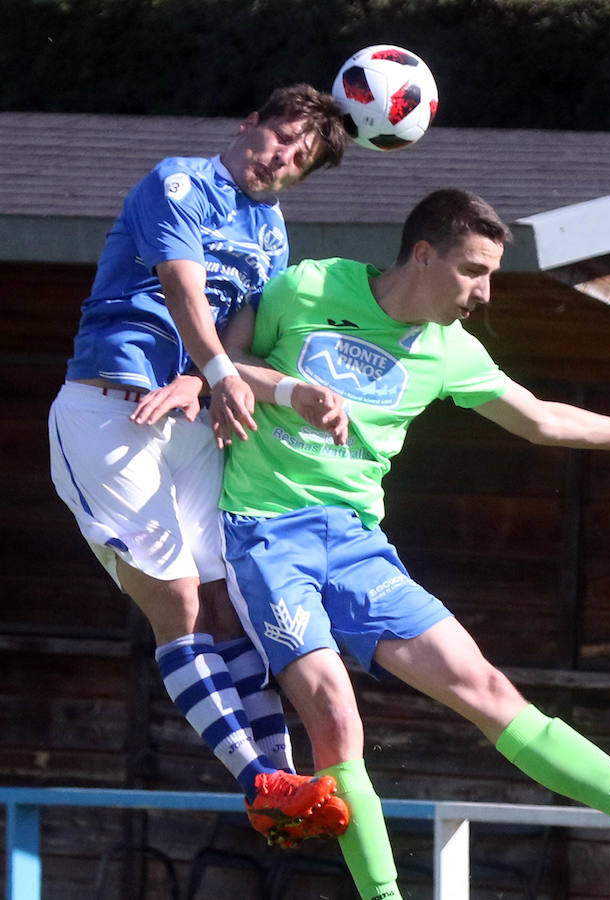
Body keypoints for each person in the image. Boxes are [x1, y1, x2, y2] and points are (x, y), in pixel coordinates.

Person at [217, 188, 610, 898]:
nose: (484, 292)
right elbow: (220, 364)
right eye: (474, 270)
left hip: (355, 542)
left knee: (487, 687)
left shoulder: (451, 352)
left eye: (491, 275)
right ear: (422, 254)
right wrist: (293, 393)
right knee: (335, 715)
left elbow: (540, 421)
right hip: (264, 534)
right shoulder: (308, 284)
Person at [48, 84, 351, 844]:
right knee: (178, 606)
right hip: (107, 411)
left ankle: (286, 784)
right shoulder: (180, 180)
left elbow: (235, 332)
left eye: (300, 162)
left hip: (183, 416)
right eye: (280, 139)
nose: (281, 162)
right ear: (249, 123)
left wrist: (202, 377)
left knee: (227, 604)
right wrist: (214, 374)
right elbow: (182, 289)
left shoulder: (274, 232)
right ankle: (259, 783)